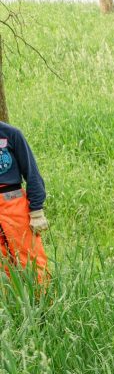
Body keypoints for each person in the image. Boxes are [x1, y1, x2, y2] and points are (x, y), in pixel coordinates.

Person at [0, 120, 48, 287]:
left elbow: (31, 172)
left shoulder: (11, 134)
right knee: (2, 266)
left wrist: (36, 210)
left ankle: (44, 308)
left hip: (13, 205)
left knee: (31, 260)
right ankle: (10, 309)